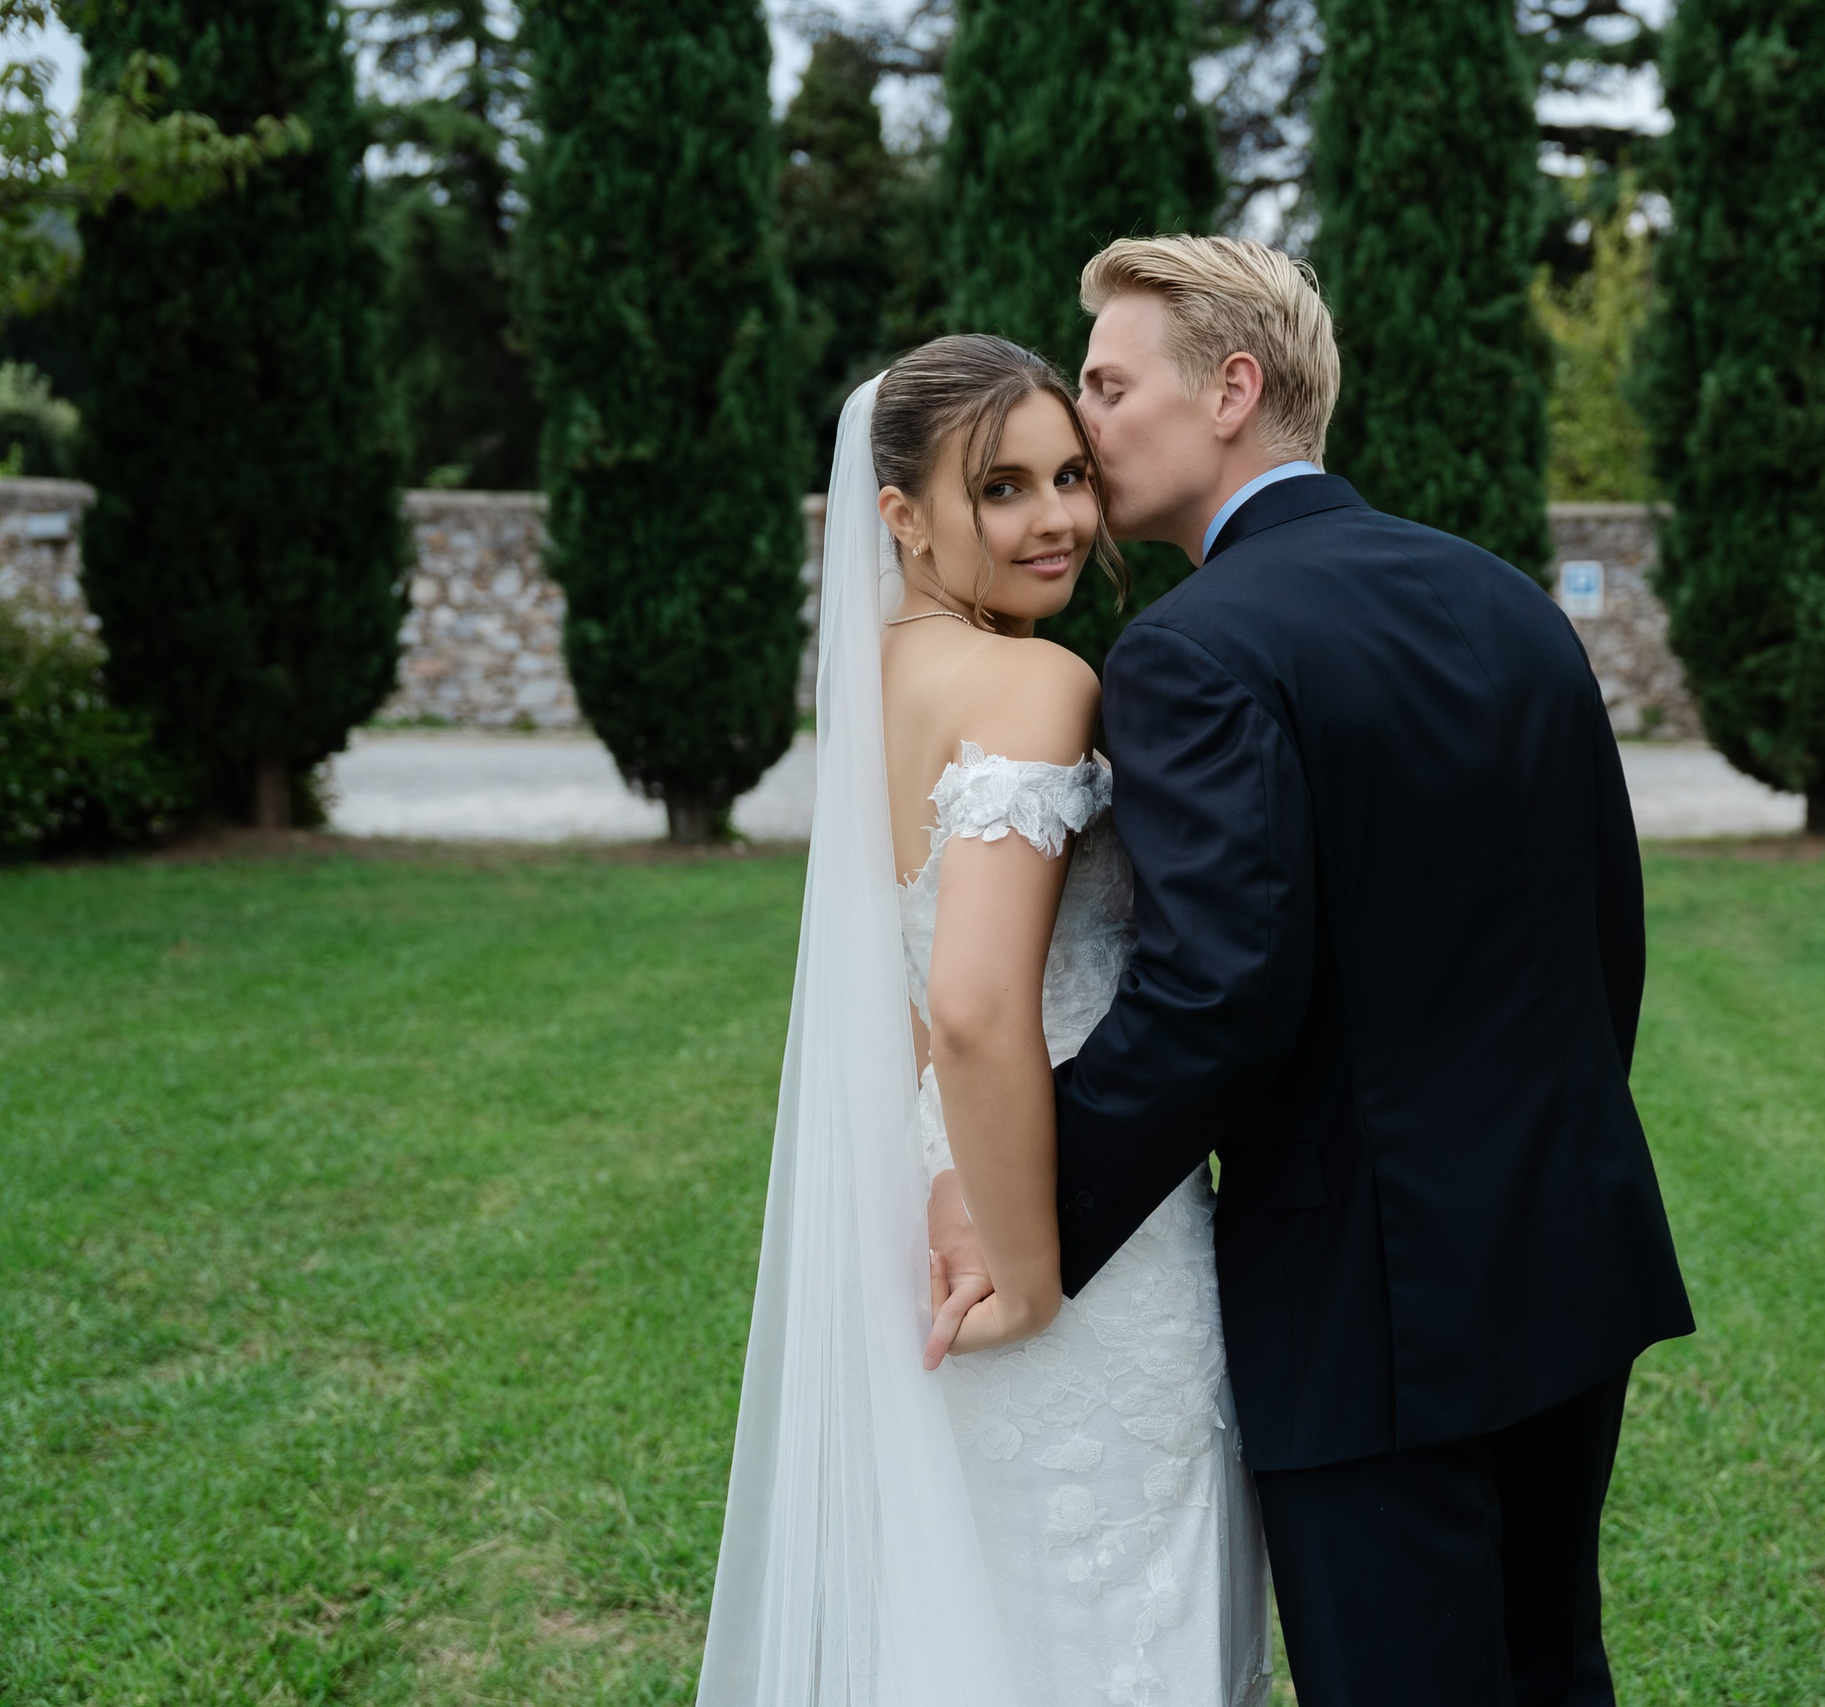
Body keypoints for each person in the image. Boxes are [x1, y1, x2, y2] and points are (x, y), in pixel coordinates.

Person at [934, 235, 1696, 1706]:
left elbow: (1216, 995)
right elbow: (1607, 930)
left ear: (1232, 390)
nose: (1084, 420)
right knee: (1551, 1670)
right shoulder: (1504, 597)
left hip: (1370, 1299)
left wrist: (1022, 1202)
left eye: (1109, 385)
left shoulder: (1190, 652)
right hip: (1568, 1247)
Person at [696, 335, 1268, 1707]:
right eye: (1001, 488)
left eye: (1070, 474)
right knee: (1110, 1621)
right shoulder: (1035, 683)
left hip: (924, 1190)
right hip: (1052, 1213)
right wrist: (1029, 1267)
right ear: (901, 516)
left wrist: (949, 1180)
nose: (1058, 517)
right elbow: (969, 1003)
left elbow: (897, 985)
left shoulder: (879, 682)